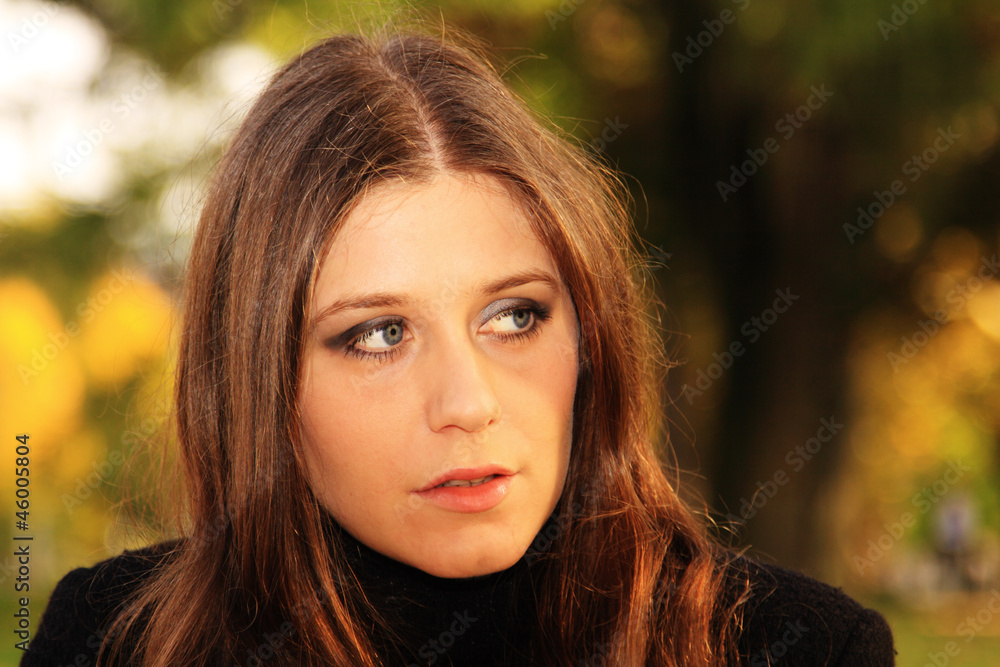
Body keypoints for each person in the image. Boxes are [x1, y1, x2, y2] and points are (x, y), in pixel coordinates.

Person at [23, 22, 896, 667]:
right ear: (260, 383)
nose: (469, 402)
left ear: (591, 334)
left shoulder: (793, 646)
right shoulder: (113, 641)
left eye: (514, 317)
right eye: (378, 334)